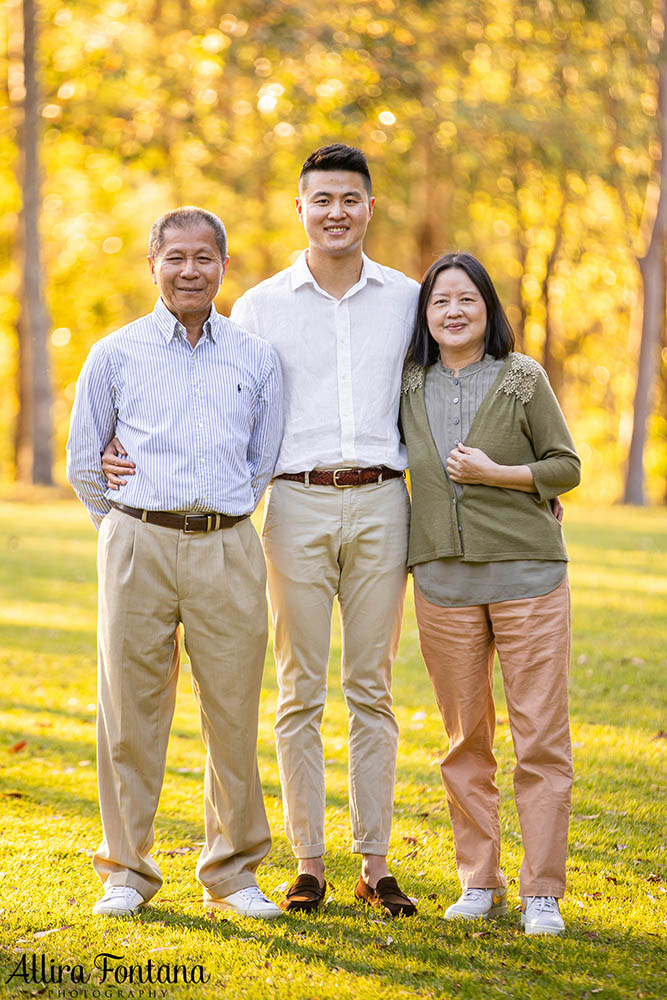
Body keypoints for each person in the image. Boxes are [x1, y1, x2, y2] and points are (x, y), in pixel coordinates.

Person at [102, 145, 419, 917]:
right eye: (322, 199)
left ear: (368, 208)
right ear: (301, 209)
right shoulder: (261, 307)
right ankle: (303, 864)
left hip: (376, 500)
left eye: (350, 198)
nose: (336, 211)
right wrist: (126, 482)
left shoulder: (410, 299)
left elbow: (447, 390)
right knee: (291, 690)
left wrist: (523, 483)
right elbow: (210, 421)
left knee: (364, 689)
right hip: (289, 507)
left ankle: (370, 864)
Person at [66, 207, 284, 920]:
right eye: (175, 258)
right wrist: (132, 526)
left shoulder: (256, 358)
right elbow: (84, 464)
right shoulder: (115, 353)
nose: (190, 270)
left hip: (227, 544)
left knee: (232, 712)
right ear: (153, 266)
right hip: (136, 542)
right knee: (128, 712)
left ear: (224, 266)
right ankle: (126, 870)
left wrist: (214, 516)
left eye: (204, 258)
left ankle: (232, 871)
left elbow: (261, 463)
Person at [400, 251, 580, 935]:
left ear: (486, 310)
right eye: (440, 301)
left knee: (538, 738)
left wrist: (495, 472)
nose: (453, 311)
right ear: (425, 315)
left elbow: (565, 466)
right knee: (463, 740)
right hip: (442, 581)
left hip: (527, 576)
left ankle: (541, 891)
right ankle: (478, 880)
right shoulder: (409, 383)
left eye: (466, 300)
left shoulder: (520, 377)